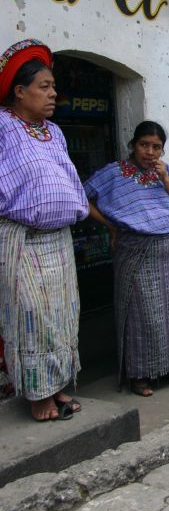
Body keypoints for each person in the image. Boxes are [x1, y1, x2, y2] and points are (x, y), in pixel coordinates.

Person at [0, 39, 88, 421]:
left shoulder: (54, 131)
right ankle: (38, 394)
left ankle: (58, 384)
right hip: (23, 240)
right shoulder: (3, 125)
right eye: (44, 86)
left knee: (63, 315)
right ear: (19, 91)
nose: (53, 94)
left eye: (53, 86)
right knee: (33, 317)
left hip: (59, 239)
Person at [84, 121, 169, 396]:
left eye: (156, 147)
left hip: (168, 249)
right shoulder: (113, 172)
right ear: (133, 145)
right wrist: (110, 226)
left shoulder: (166, 172)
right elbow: (81, 195)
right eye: (144, 145)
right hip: (134, 249)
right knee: (141, 313)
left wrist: (165, 179)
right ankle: (140, 375)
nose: (150, 152)